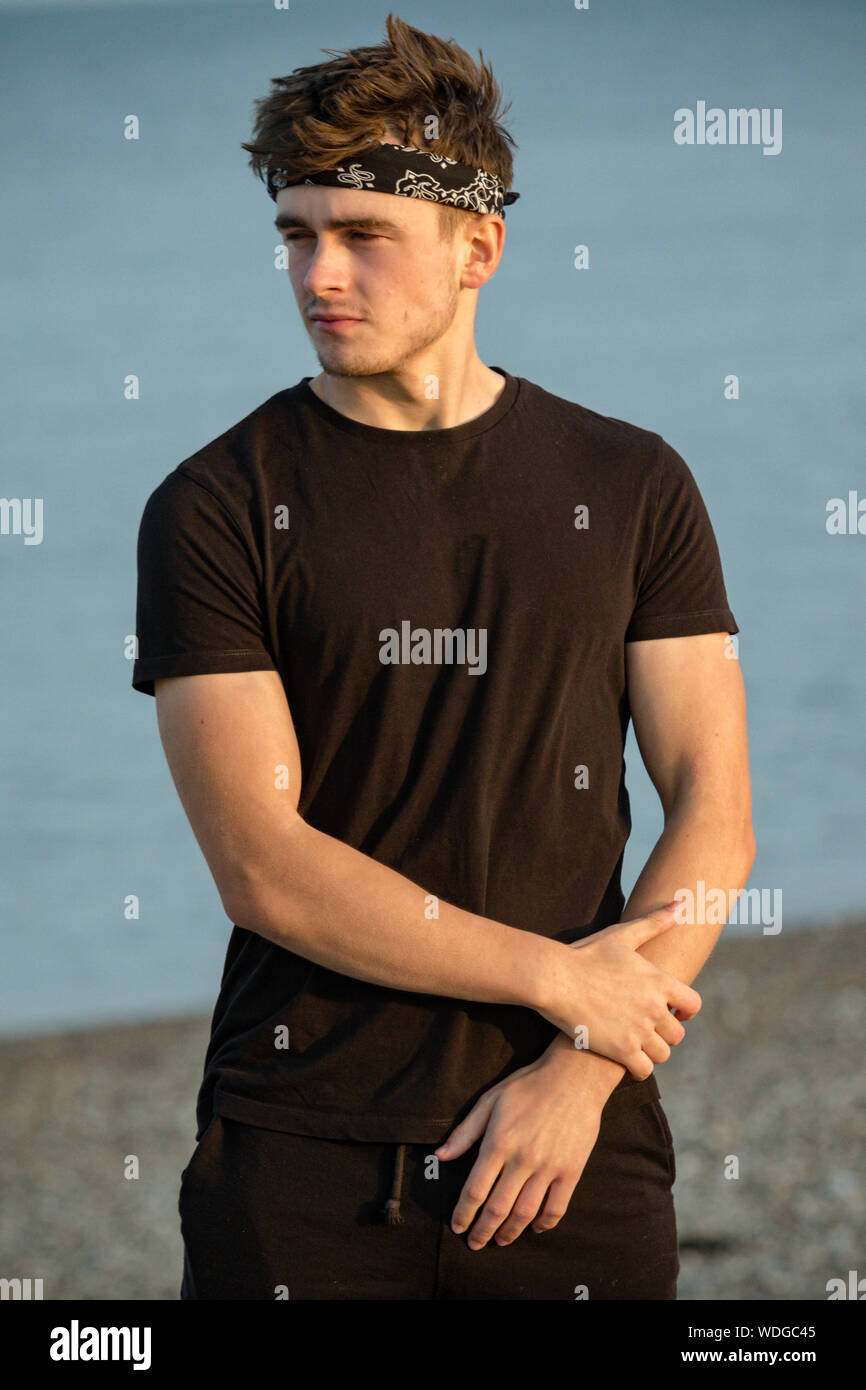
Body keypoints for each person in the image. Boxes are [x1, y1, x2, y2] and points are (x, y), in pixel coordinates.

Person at [131, 14, 754, 1301]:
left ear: (479, 247)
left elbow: (714, 815)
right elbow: (264, 866)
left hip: (576, 1150)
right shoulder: (215, 503)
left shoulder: (629, 482)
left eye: (363, 236)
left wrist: (579, 1066)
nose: (319, 275)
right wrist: (561, 982)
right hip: (302, 1149)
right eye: (296, 234)